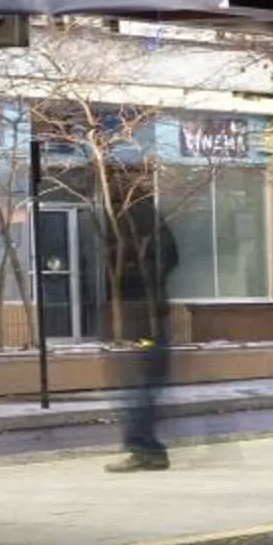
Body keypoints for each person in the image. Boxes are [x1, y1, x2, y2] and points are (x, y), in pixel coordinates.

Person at [105, 169, 180, 473]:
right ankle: (146, 447)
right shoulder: (130, 217)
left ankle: (144, 447)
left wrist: (137, 276)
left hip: (144, 312)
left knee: (140, 385)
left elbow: (169, 256)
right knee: (140, 384)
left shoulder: (139, 217)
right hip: (139, 310)